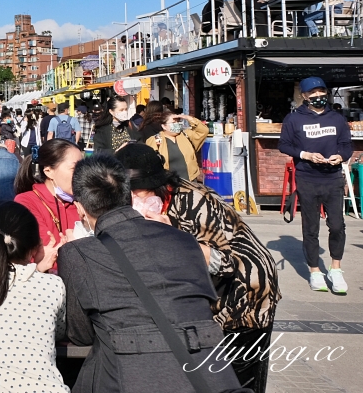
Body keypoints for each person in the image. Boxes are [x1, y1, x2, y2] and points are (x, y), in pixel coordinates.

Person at [57, 154, 242, 393]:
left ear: (81, 208)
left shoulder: (77, 253)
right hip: (210, 372)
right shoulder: (184, 239)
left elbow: (80, 334)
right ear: (128, 196)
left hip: (129, 376)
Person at [119, 143, 279, 393]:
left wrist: (175, 234)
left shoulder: (196, 202)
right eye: (129, 191)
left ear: (159, 184)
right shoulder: (148, 202)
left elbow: (226, 263)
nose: (135, 198)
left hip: (246, 292)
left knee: (237, 383)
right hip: (207, 301)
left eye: (140, 190)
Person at [0, 203, 68, 393]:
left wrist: (37, 267)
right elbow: (58, 330)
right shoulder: (52, 286)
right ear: (35, 248)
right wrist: (41, 269)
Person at [278, 76, 353, 293]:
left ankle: (336, 269)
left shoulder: (337, 118)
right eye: (313, 93)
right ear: (304, 96)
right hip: (308, 178)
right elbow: (284, 145)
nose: (318, 96)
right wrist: (306, 155)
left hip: (332, 178)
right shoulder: (293, 120)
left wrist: (340, 157)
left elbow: (347, 146)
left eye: (322, 92)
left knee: (337, 225)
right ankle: (314, 271)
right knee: (311, 228)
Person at [13, 139, 83, 272]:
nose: (82, 175)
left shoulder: (81, 202)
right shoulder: (26, 202)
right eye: (75, 168)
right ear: (48, 171)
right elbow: (45, 251)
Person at [140, 104, 209, 182]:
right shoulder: (155, 140)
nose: (176, 124)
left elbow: (204, 131)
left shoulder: (186, 135)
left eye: (178, 122)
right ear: (164, 126)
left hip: (190, 182)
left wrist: (187, 118)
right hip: (169, 184)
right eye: (173, 122)